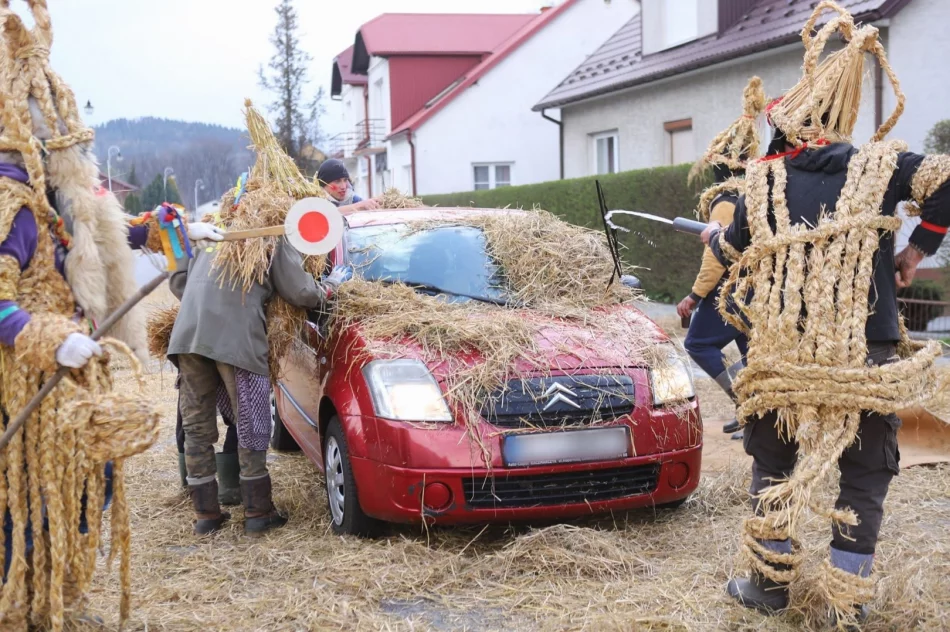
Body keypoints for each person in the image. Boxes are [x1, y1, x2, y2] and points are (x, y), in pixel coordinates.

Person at [702, 2, 950, 624]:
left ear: (789, 122)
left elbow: (728, 251)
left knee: (774, 461)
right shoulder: (884, 166)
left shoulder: (759, 184)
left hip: (783, 352)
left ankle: (769, 585)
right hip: (863, 353)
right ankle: (845, 597)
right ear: (839, 121)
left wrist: (723, 242)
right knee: (866, 469)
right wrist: (919, 248)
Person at [0, 2, 216, 627]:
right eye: (68, 141)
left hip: (71, 380)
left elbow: (104, 230)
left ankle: (56, 597)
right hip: (26, 388)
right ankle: (24, 603)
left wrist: (175, 232)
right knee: (32, 506)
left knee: (90, 489)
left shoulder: (61, 200)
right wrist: (46, 337)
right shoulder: (13, 207)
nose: (81, 153)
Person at [168, 101, 353, 536]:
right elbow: (299, 291)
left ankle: (206, 516)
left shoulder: (217, 232)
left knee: (197, 426)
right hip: (236, 342)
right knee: (254, 420)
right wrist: (327, 291)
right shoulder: (270, 236)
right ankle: (256, 513)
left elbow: (180, 286)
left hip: (187, 338)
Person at [677, 76, 766, 441]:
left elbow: (718, 256)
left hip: (732, 291)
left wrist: (694, 298)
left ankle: (747, 405)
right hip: (758, 288)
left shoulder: (726, 198)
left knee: (697, 343)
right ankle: (755, 416)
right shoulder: (757, 192)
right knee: (749, 353)